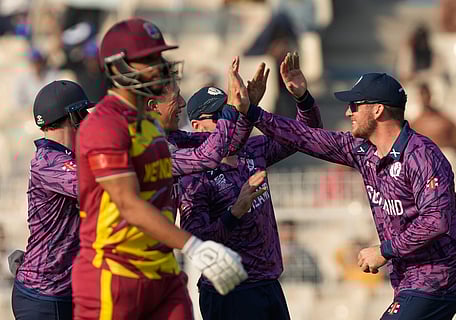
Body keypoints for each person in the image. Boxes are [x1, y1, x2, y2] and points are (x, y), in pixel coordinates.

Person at [247, 72, 456, 320]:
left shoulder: (421, 155)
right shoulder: (362, 151)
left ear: (377, 110)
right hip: (408, 282)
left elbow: (436, 220)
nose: (348, 113)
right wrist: (252, 112)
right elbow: (305, 137)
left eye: (355, 106)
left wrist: (384, 250)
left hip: (438, 280)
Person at [73, 18, 249, 320]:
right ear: (119, 68)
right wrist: (195, 246)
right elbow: (128, 204)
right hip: (113, 275)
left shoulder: (152, 127)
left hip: (163, 273)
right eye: (149, 59)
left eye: (159, 57)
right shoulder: (104, 124)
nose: (160, 66)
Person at [178, 51, 322, 320]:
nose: (227, 119)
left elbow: (306, 135)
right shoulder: (193, 174)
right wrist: (235, 213)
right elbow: (195, 244)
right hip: (230, 292)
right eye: (218, 115)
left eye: (229, 110)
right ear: (197, 126)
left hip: (268, 283)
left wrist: (301, 97)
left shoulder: (251, 149)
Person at [11, 80, 93, 320]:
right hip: (45, 297)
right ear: (73, 116)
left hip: (64, 292)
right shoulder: (49, 161)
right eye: (84, 113)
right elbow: (103, 187)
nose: (88, 119)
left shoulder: (69, 157)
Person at [410, 83, 456, 152]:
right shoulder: (415, 123)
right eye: (422, 94)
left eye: (426, 94)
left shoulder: (444, 119)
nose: (425, 97)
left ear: (430, 95)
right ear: (418, 97)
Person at [278, 220, 322, 286]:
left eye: (290, 230)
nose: (288, 233)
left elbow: (313, 273)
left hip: (300, 285)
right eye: (285, 230)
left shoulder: (303, 252)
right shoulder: (272, 252)